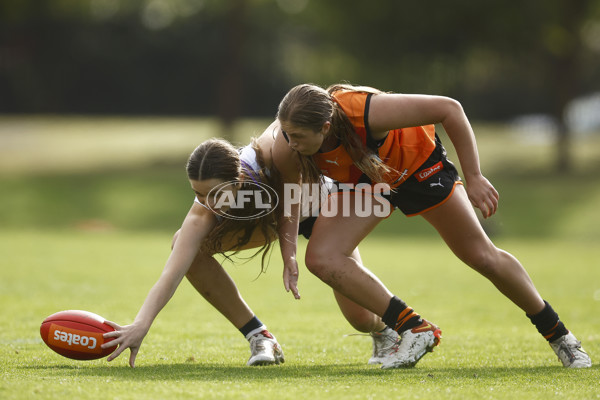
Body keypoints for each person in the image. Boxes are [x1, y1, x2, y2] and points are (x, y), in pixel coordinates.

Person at [271, 82, 592, 369]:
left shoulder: (366, 112)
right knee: (326, 267)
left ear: (326, 127)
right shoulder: (289, 144)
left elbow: (448, 109)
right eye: (287, 134)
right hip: (365, 183)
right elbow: (292, 196)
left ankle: (559, 336)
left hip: (419, 169)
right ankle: (412, 329)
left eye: (298, 136)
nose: (290, 142)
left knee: (481, 256)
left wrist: (475, 175)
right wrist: (289, 255)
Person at [101, 135, 400, 368]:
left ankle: (388, 331)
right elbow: (171, 273)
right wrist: (141, 324)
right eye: (198, 193)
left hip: (323, 209)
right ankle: (259, 336)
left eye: (215, 193)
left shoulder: (271, 159)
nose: (208, 202)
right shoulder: (204, 209)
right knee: (184, 244)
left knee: (360, 319)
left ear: (239, 180)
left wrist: (291, 255)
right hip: (272, 220)